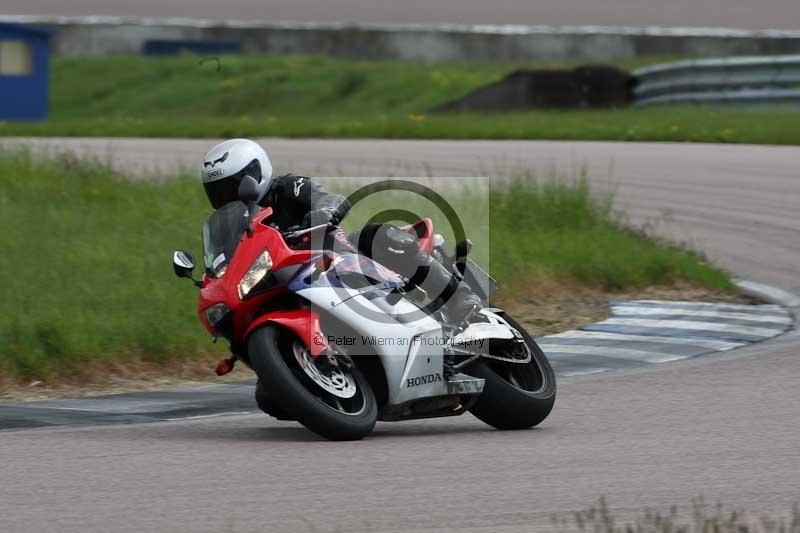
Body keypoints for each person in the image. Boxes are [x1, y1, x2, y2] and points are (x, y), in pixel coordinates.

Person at [201, 138, 481, 323]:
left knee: (376, 234)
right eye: (218, 191)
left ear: (256, 173)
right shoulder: (230, 224)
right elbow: (230, 259)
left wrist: (322, 213)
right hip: (292, 281)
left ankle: (459, 297)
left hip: (336, 255)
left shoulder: (287, 187)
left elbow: (328, 198)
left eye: (234, 185)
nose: (228, 196)